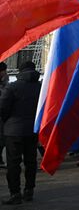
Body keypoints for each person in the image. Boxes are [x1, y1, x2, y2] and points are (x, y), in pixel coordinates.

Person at [0, 61, 41, 205]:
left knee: (13, 163)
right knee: (31, 162)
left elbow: (3, 108)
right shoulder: (41, 87)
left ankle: (15, 193)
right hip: (32, 129)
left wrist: (8, 122)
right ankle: (29, 191)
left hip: (13, 130)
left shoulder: (12, 87)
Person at [0, 61, 8, 168]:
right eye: (3, 71)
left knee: (2, 139)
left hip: (2, 114)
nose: (5, 73)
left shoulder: (5, 80)